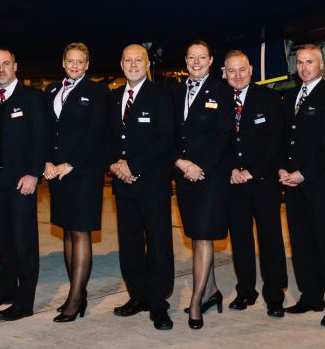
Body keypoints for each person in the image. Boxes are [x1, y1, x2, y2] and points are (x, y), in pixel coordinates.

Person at [108, 44, 175, 331]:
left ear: (147, 64)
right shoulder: (112, 98)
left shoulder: (161, 96)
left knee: (159, 245)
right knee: (131, 245)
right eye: (128, 60)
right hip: (123, 186)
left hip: (151, 184)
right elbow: (105, 137)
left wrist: (133, 166)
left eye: (139, 60)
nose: (133, 64)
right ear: (121, 65)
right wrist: (114, 165)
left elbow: (165, 139)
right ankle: (138, 296)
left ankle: (158, 303)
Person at [280, 43, 325, 327]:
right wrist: (282, 168)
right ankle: (310, 296)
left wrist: (303, 174)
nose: (304, 68)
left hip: (317, 182)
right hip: (292, 183)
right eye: (300, 63)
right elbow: (284, 138)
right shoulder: (289, 96)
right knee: (300, 242)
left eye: (310, 62)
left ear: (321, 65)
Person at [0, 48, 49, 322]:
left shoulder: (32, 98)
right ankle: (6, 290)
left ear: (16, 66)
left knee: (24, 242)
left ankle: (25, 301)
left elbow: (41, 138)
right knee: (5, 240)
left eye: (6, 63)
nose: (1, 69)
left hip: (23, 181)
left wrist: (34, 174)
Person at [170, 40, 234, 329]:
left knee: (205, 235)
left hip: (210, 176)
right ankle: (211, 292)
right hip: (185, 174)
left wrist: (200, 167)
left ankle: (196, 301)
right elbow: (168, 133)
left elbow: (223, 135)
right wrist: (181, 164)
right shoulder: (174, 92)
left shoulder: (222, 91)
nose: (196, 62)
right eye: (191, 57)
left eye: (202, 57)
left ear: (211, 61)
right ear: (185, 61)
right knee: (195, 234)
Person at [43, 42, 108, 322]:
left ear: (87, 65)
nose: (74, 65)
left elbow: (95, 134)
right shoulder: (52, 90)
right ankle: (76, 292)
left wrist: (70, 164)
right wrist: (46, 162)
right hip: (57, 173)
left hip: (82, 172)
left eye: (80, 62)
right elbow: (46, 130)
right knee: (67, 231)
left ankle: (76, 297)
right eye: (70, 60)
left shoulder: (96, 91)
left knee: (80, 232)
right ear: (63, 62)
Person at [223, 50, 288, 317]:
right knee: (240, 241)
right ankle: (245, 291)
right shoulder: (218, 98)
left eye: (242, 70)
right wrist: (229, 170)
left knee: (270, 239)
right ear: (224, 73)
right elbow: (215, 141)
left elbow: (276, 140)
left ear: (251, 70)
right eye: (232, 71)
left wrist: (252, 171)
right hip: (233, 184)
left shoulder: (269, 98)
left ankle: (274, 296)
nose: (237, 76)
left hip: (262, 183)